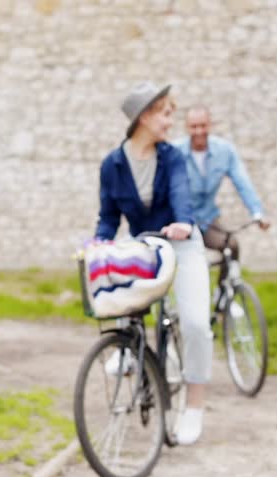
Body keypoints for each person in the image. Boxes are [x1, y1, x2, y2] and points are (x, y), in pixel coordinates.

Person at [95, 82, 211, 445]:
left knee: (195, 324)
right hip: (145, 246)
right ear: (144, 116)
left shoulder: (173, 158)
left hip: (181, 243)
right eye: (165, 113)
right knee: (113, 265)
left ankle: (194, 405)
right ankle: (130, 349)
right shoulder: (113, 165)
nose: (170, 121)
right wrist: (99, 241)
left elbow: (181, 195)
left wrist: (182, 223)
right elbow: (109, 217)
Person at [171, 106, 270, 277]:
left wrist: (257, 212)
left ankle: (225, 292)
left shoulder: (224, 151)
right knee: (181, 263)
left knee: (231, 246)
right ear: (186, 128)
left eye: (203, 125)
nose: (199, 131)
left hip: (208, 219)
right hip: (181, 220)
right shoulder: (174, 152)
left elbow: (242, 182)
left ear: (210, 125)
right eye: (194, 126)